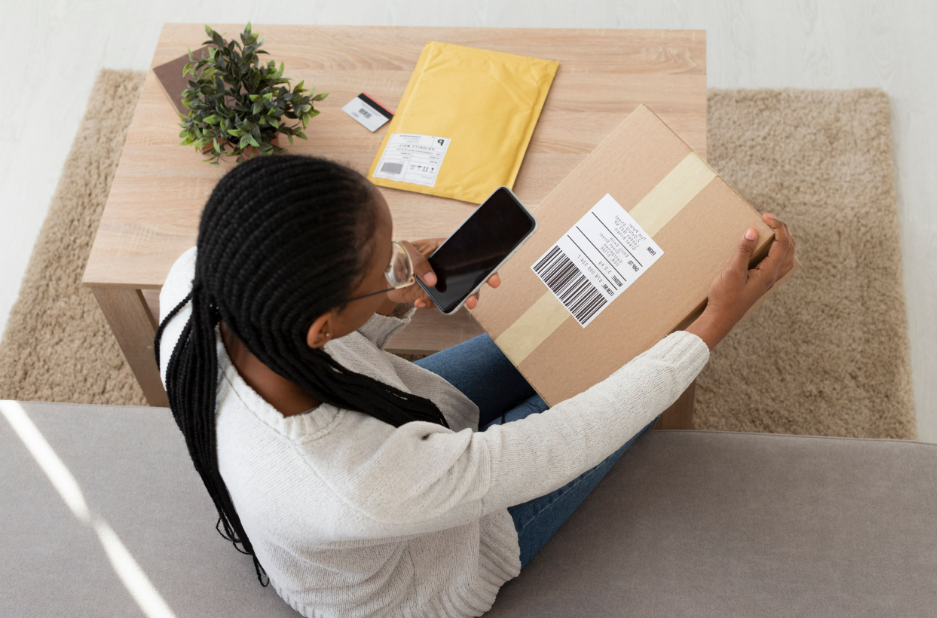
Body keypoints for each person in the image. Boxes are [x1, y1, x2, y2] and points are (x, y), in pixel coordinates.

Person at [156, 155, 795, 618]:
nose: (401, 259)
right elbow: (566, 439)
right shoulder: (353, 486)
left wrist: (392, 290)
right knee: (626, 370)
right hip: (428, 565)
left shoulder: (199, 281)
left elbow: (336, 347)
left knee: (575, 332)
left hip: (386, 429)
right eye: (388, 262)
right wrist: (712, 326)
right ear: (321, 326)